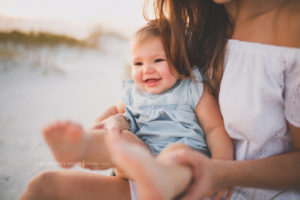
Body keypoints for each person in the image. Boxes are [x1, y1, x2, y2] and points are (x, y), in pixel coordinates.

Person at [20, 21, 233, 200]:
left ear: (180, 60)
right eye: (138, 63)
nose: (146, 69)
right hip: (138, 170)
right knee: (119, 137)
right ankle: (82, 146)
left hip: (179, 172)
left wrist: (222, 169)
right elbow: (114, 110)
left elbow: (214, 129)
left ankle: (155, 173)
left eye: (158, 60)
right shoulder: (134, 94)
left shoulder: (192, 88)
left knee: (176, 151)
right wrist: (96, 128)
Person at [130, 0, 299, 199]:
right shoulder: (196, 31)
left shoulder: (291, 24)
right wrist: (119, 122)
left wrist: (217, 172)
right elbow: (156, 96)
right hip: (187, 180)